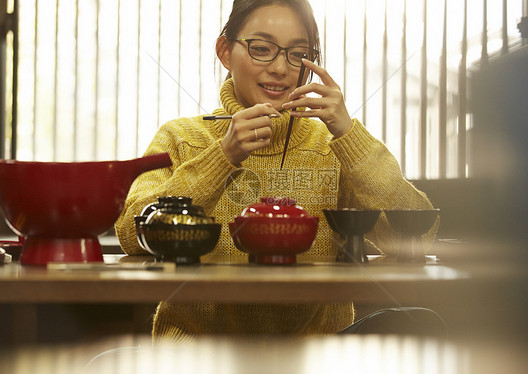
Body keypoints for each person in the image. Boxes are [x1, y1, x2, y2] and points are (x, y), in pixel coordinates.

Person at [115, 0, 437, 342]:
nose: (281, 68)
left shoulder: (333, 143)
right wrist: (223, 155)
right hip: (196, 358)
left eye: (298, 54)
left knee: (420, 323)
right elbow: (130, 234)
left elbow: (415, 238)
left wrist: (349, 132)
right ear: (225, 52)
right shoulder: (181, 137)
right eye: (262, 49)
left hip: (315, 359)